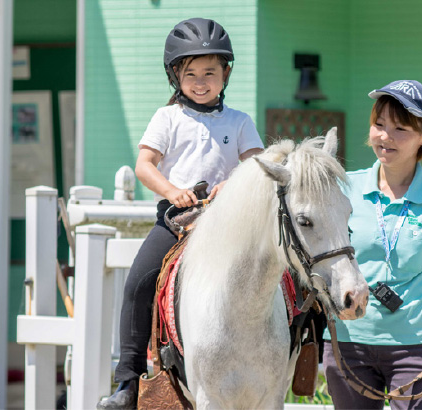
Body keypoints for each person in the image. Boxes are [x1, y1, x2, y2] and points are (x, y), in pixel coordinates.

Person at [97, 18, 264, 409]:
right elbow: (144, 165)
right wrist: (173, 191)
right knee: (137, 283)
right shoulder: (167, 117)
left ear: (226, 73)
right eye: (191, 73)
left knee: (287, 272)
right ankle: (128, 383)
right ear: (176, 76)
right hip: (177, 220)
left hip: (229, 222)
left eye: (210, 72)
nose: (201, 81)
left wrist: (234, 183)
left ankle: (299, 347)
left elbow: (257, 163)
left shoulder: (239, 121)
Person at [322, 80, 422, 409]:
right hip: (348, 344)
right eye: (379, 125)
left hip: (416, 347)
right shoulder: (343, 188)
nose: (385, 136)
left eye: (400, 129)